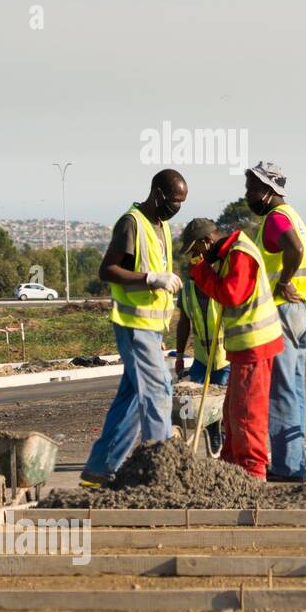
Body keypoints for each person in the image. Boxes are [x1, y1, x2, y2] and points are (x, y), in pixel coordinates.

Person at [80, 170, 187, 488]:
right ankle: (161, 472)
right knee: (158, 392)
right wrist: (150, 278)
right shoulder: (132, 223)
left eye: (181, 203)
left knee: (130, 399)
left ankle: (100, 468)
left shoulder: (162, 226)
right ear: (157, 193)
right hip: (133, 325)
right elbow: (107, 270)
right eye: (174, 201)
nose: (176, 207)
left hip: (152, 327)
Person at [182, 218, 285, 478]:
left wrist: (202, 271)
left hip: (255, 345)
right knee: (232, 412)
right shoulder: (230, 253)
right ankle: (232, 467)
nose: (199, 258)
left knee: (247, 414)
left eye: (198, 252)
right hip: (244, 347)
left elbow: (231, 295)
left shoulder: (240, 252)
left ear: (206, 242)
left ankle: (252, 472)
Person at [245, 163, 306, 482]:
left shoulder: (276, 218)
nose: (248, 195)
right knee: (295, 392)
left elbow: (294, 250)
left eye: (252, 189)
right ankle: (295, 463)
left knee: (281, 392)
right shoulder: (295, 216)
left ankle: (287, 468)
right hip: (303, 313)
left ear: (270, 191)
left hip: (283, 311)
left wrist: (283, 280)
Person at [174, 262, 228, 456]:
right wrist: (179, 356)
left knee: (222, 403)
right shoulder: (187, 290)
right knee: (195, 400)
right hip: (201, 358)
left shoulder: (220, 283)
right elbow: (183, 323)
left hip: (224, 357)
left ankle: (221, 437)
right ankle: (213, 433)